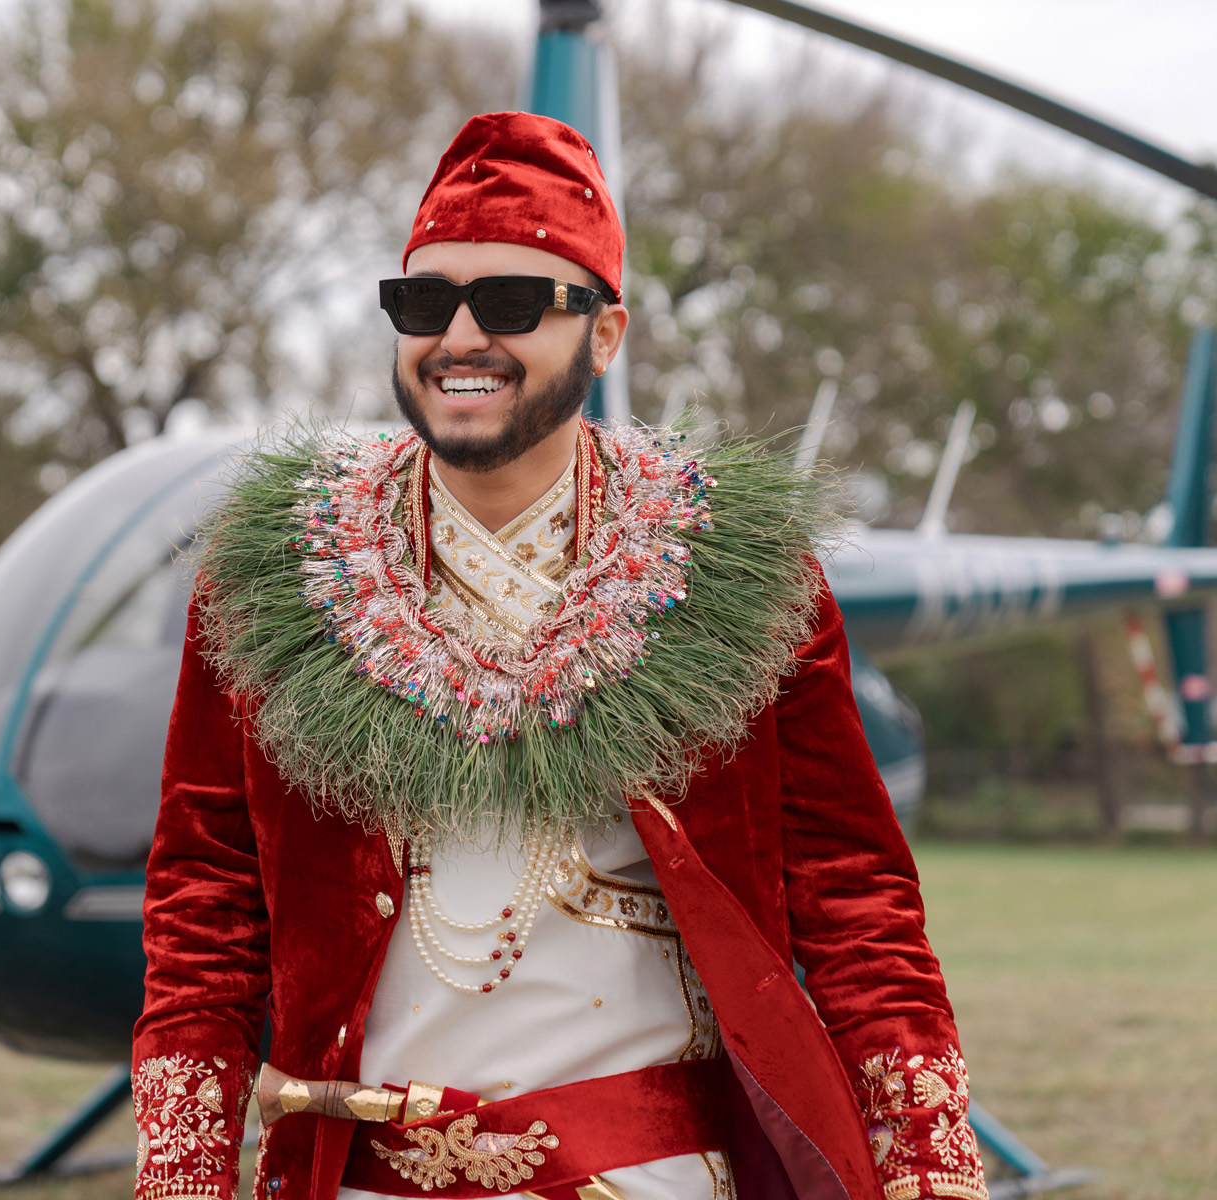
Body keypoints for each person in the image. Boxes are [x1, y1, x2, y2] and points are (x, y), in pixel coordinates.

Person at [130, 112, 986, 1200]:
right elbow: (204, 907)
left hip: (658, 1180)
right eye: (424, 302)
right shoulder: (275, 577)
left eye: (515, 303)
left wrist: (930, 1169)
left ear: (609, 332)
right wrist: (182, 1178)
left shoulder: (739, 573)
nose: (462, 338)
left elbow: (856, 902)